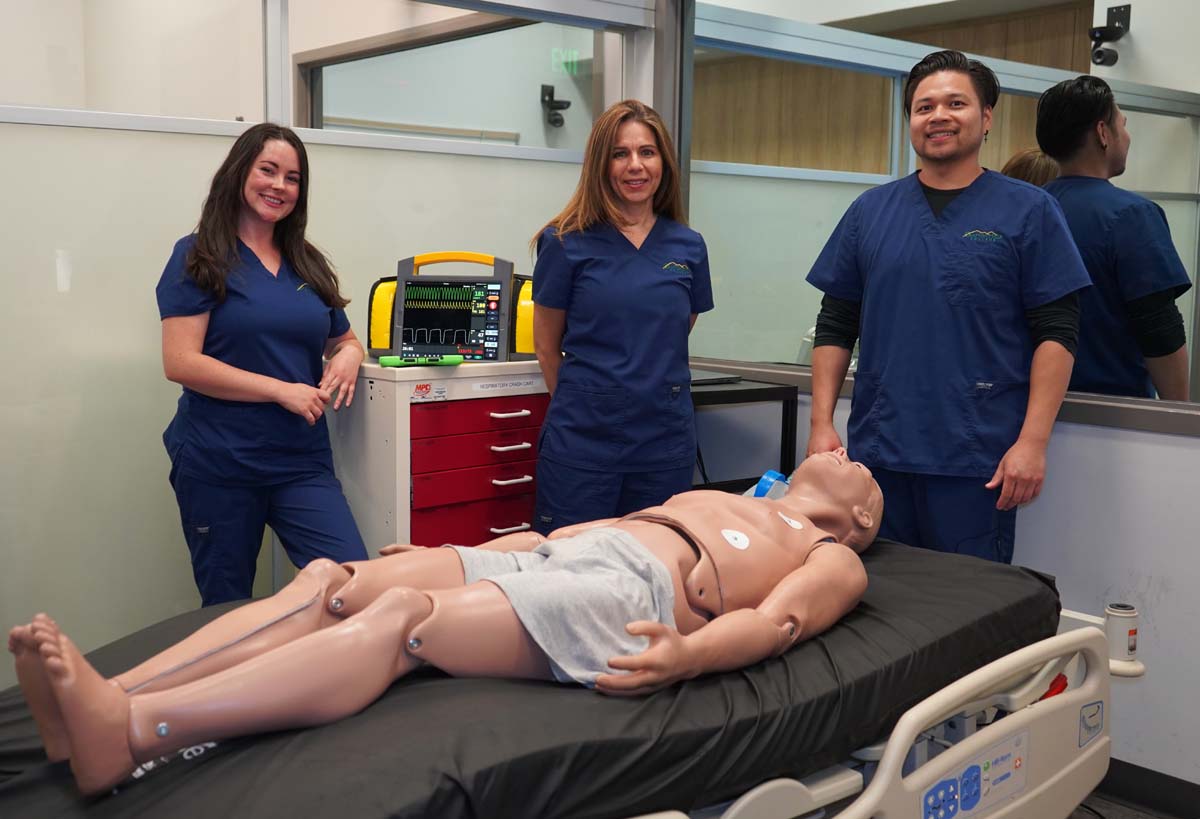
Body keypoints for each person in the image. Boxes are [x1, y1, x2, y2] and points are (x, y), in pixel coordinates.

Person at [10, 449, 881, 796]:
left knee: (398, 619)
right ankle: (109, 694)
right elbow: (576, 532)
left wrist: (688, 654)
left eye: (854, 463)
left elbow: (774, 630)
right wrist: (466, 545)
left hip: (634, 599)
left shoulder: (830, 554)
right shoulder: (728, 490)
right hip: (560, 557)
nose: (837, 449)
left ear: (864, 515)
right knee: (332, 578)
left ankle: (131, 730)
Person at [805, 51, 1092, 564]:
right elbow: (836, 321)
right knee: (876, 602)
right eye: (923, 106)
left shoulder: (1029, 210)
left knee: (967, 611)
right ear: (911, 121)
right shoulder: (870, 212)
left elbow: (1057, 332)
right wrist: (821, 424)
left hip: (976, 459)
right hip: (878, 453)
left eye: (956, 103)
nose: (938, 116)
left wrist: (1032, 442)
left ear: (985, 118)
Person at [155, 123, 368, 606]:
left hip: (300, 460)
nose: (279, 186)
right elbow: (181, 361)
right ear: (238, 174)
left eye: (293, 178)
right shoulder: (198, 256)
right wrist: (280, 389)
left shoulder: (306, 261)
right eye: (268, 170)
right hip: (220, 458)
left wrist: (351, 356)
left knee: (353, 584)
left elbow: (345, 338)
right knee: (227, 607)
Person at [530, 99, 715, 535]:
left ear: (663, 162)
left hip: (664, 441)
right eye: (620, 153)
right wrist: (594, 403)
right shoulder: (565, 242)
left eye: (647, 152)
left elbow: (677, 328)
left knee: (657, 563)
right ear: (601, 164)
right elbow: (546, 346)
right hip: (584, 443)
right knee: (571, 564)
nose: (636, 166)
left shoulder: (687, 246)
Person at [1037, 76, 1193, 400]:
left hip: (1033, 407)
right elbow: (1159, 330)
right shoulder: (1131, 215)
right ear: (1103, 133)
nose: (1127, 136)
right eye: (1123, 124)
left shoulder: (1025, 210)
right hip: (1112, 418)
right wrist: (1180, 420)